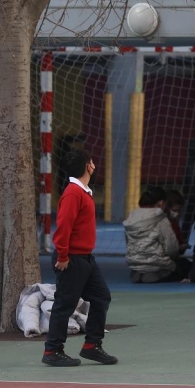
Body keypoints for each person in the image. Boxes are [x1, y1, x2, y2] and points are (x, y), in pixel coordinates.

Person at [42, 149, 117, 367]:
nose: (94, 164)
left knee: (101, 297)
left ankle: (92, 346)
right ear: (88, 166)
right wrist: (63, 255)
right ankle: (52, 350)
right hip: (71, 258)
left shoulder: (83, 192)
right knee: (65, 304)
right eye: (92, 161)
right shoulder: (73, 193)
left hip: (85, 258)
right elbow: (64, 227)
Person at [124, 187, 190, 283]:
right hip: (157, 264)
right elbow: (171, 249)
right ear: (161, 203)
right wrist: (178, 249)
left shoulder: (130, 218)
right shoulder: (162, 219)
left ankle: (139, 272)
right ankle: (154, 273)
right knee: (184, 265)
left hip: (135, 263)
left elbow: (129, 244)